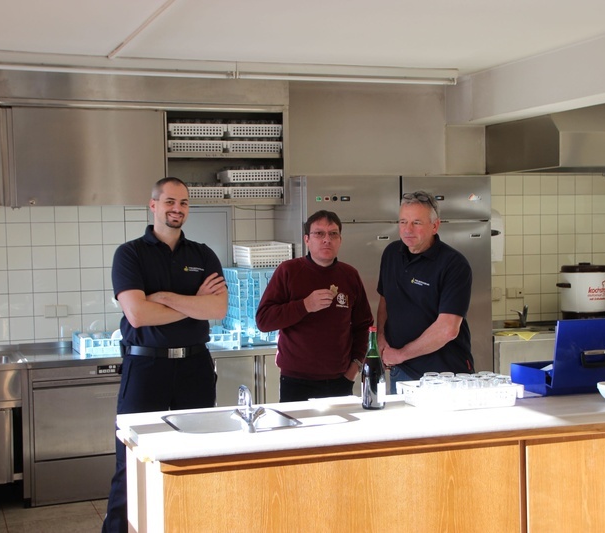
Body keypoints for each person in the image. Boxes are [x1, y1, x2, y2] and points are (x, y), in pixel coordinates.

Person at [101, 177, 228, 533]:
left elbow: (217, 309)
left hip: (194, 367)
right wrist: (193, 304)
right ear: (153, 205)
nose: (177, 209)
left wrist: (165, 298)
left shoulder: (202, 254)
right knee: (131, 461)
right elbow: (138, 315)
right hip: (146, 366)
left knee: (196, 457)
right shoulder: (130, 254)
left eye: (184, 203)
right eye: (170, 201)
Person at [255, 210, 374, 402]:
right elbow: (264, 320)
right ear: (307, 240)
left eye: (333, 234)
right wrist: (305, 305)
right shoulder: (288, 271)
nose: (327, 239)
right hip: (296, 381)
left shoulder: (349, 275)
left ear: (340, 240)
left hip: (340, 380)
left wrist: (355, 367)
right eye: (319, 233)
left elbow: (363, 326)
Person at [377, 190, 474, 393]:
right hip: (401, 372)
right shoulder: (391, 254)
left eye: (416, 223)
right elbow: (385, 300)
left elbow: (448, 329)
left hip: (444, 377)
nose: (408, 229)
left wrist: (400, 354)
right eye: (403, 222)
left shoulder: (454, 264)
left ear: (435, 226)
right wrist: (381, 338)